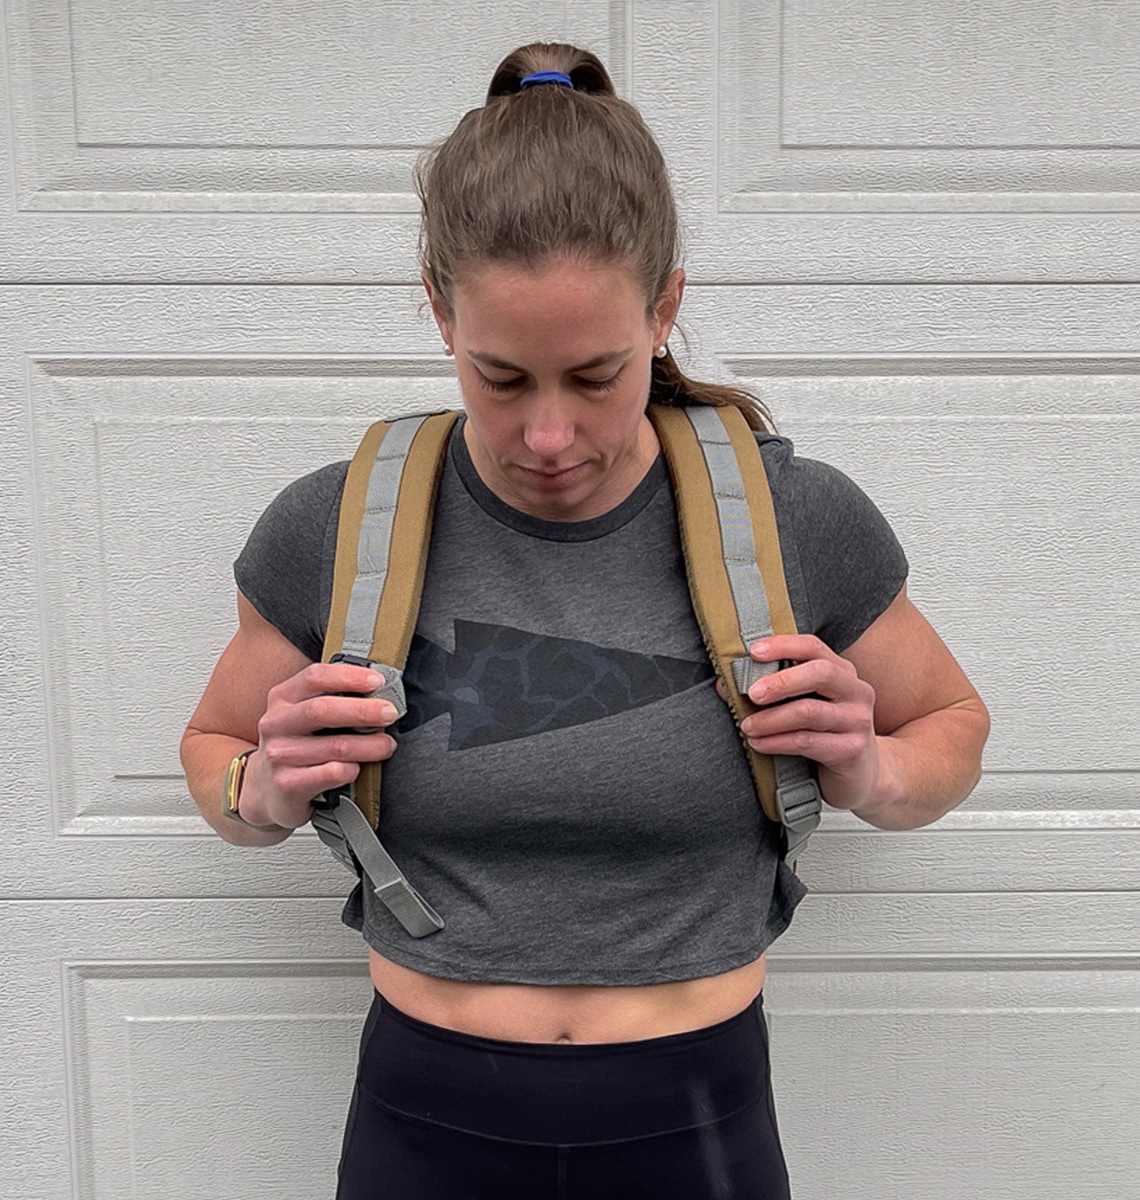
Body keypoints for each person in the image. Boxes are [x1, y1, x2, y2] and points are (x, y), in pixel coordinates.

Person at [181, 42, 990, 1200]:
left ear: (666, 309)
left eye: (599, 374)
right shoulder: (339, 525)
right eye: (501, 379)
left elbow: (952, 728)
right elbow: (211, 753)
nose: (548, 437)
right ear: (437, 311)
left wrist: (872, 769)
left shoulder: (792, 518)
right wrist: (258, 791)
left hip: (698, 1121)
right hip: (421, 1119)